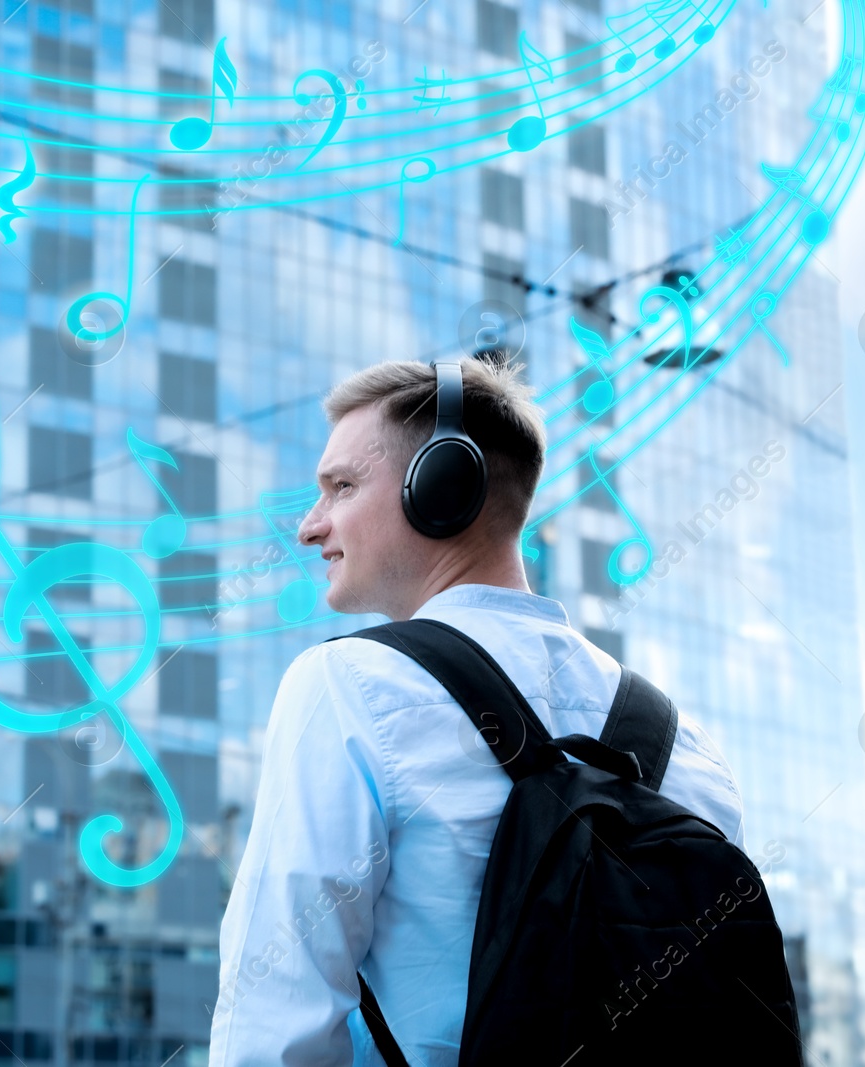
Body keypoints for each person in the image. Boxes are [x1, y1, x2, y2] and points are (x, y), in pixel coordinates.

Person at [208, 358, 746, 1067]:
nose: (311, 526)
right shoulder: (689, 749)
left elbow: (273, 1025)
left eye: (341, 486)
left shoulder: (346, 685)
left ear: (442, 485)